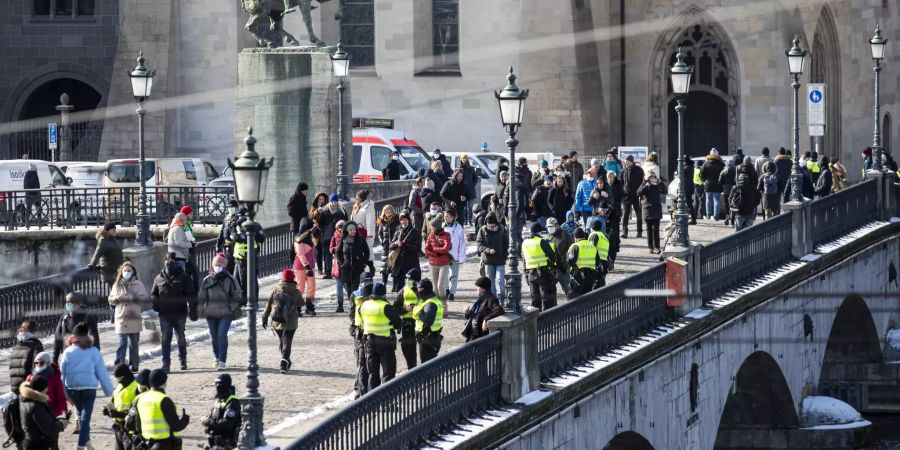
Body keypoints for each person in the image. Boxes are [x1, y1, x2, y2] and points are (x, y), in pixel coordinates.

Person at [60, 323, 114, 449]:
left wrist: (63, 392)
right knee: (85, 418)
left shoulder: (67, 351)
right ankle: (80, 446)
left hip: (72, 388)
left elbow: (62, 374)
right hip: (89, 388)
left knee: (80, 415)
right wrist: (108, 390)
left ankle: (88, 443)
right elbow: (101, 371)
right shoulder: (93, 351)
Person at [151, 253, 196, 372]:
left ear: (175, 262)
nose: (169, 262)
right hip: (164, 314)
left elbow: (190, 294)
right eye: (167, 259)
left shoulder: (184, 277)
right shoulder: (158, 278)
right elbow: (153, 294)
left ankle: (183, 360)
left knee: (180, 337)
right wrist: (155, 304)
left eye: (171, 260)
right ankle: (166, 363)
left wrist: (192, 309)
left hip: (180, 313)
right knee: (166, 339)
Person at [199, 253, 243, 371]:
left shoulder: (230, 279)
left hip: (225, 312)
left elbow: (237, 294)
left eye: (220, 264)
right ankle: (216, 357)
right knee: (214, 337)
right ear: (213, 265)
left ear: (224, 266)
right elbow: (201, 296)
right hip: (211, 313)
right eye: (216, 264)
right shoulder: (207, 280)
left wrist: (231, 306)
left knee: (221, 335)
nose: (218, 266)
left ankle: (222, 360)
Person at [133, 369, 190, 450]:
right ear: (163, 383)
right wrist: (185, 420)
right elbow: (176, 426)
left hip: (147, 443)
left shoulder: (141, 399)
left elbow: (137, 426)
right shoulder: (164, 400)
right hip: (164, 444)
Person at [360, 283, 402, 390]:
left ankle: (372, 401)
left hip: (369, 342)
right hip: (384, 343)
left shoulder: (364, 305)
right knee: (388, 373)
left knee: (372, 373)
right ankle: (387, 401)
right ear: (384, 295)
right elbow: (398, 322)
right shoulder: (385, 307)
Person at [109, 261, 149, 373]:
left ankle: (134, 365)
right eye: (125, 270)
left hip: (134, 317)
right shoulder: (117, 284)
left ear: (133, 272)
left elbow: (144, 297)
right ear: (121, 272)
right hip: (121, 317)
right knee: (122, 343)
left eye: (129, 270)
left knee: (134, 344)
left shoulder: (138, 284)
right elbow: (111, 298)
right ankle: (120, 364)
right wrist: (116, 298)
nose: (127, 272)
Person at [262, 270, 303, 373]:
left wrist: (265, 318)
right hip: (290, 321)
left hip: (277, 321)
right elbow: (302, 303)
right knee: (287, 341)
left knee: (282, 340)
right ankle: (283, 364)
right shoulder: (295, 291)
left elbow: (268, 304)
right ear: (292, 278)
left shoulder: (276, 289)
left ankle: (286, 360)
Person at [19, 375, 69, 450]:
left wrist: (54, 420)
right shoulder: (36, 406)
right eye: (46, 387)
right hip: (37, 445)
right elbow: (48, 429)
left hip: (30, 442)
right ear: (42, 389)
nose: (47, 389)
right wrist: (61, 424)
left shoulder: (25, 400)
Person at [53, 292, 100, 363]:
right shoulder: (64, 318)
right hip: (68, 357)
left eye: (71, 303)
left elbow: (94, 339)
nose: (68, 305)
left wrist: (95, 358)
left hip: (84, 357)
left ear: (78, 304)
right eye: (67, 303)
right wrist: (54, 360)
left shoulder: (87, 318)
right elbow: (57, 339)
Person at [523, 223, 558, 311]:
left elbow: (524, 258)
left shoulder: (525, 242)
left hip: (530, 273)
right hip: (542, 273)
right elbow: (553, 256)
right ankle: (546, 318)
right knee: (546, 298)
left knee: (535, 298)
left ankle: (536, 319)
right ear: (539, 232)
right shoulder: (541, 241)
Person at [103, 364, 138, 450]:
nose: (118, 381)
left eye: (119, 379)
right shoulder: (120, 386)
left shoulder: (136, 388)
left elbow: (137, 411)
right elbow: (114, 400)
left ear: (126, 376)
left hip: (129, 428)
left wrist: (119, 414)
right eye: (117, 379)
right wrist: (108, 409)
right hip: (118, 427)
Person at [201, 374, 241, 450]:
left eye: (220, 385)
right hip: (214, 439)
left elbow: (227, 423)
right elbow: (215, 415)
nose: (217, 387)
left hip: (226, 442)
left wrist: (209, 422)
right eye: (216, 384)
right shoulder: (220, 399)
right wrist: (207, 419)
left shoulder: (232, 402)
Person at [349, 276, 373, 398]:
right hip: (364, 331)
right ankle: (360, 388)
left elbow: (351, 313)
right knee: (364, 362)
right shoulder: (372, 294)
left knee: (361, 361)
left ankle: (359, 387)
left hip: (359, 331)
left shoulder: (355, 294)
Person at [476, 212, 508, 303]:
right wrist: (487, 250)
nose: (490, 225)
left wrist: (504, 255)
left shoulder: (501, 230)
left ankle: (502, 299)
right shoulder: (482, 230)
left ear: (495, 223)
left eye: (492, 223)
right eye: (488, 223)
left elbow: (506, 243)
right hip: (488, 260)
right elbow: (479, 244)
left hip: (500, 260)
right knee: (490, 282)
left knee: (500, 280)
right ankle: (493, 300)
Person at [393, 269, 422, 369]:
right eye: (407, 279)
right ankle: (412, 368)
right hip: (408, 323)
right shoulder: (403, 291)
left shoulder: (424, 288)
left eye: (409, 279)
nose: (407, 281)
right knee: (408, 348)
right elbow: (395, 309)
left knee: (425, 349)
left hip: (422, 322)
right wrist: (406, 309)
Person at [232, 215, 265, 302]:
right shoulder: (253, 225)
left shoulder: (242, 226)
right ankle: (244, 300)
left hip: (245, 256)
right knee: (238, 279)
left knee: (246, 279)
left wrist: (233, 229)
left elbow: (237, 238)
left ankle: (248, 300)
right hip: (240, 256)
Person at [387, 211, 421, 293]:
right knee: (400, 287)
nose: (403, 222)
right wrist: (395, 244)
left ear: (409, 220)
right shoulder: (398, 232)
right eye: (402, 220)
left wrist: (404, 245)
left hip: (411, 263)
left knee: (411, 286)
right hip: (399, 263)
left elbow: (417, 248)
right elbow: (390, 246)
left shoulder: (415, 232)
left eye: (405, 219)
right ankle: (400, 304)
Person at [462, 277, 504, 342]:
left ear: (483, 289)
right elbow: (475, 316)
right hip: (472, 336)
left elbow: (499, 310)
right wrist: (467, 313)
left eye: (478, 287)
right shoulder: (479, 300)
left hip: (481, 337)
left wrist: (486, 319)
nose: (476, 289)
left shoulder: (491, 299)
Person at [26, 352, 67, 418]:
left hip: (50, 411)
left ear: (48, 363)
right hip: (34, 411)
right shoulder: (30, 377)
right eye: (36, 363)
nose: (38, 364)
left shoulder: (54, 376)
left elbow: (60, 395)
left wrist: (59, 411)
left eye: (41, 363)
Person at [411, 279, 443, 362]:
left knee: (426, 367)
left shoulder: (430, 303)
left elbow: (428, 320)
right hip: (431, 337)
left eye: (420, 289)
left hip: (428, 339)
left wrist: (418, 312)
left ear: (426, 289)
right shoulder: (432, 300)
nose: (418, 291)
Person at [293, 217, 320, 316]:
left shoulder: (309, 237)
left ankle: (309, 306)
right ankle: (297, 308)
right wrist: (307, 266)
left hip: (311, 265)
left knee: (311, 287)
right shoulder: (298, 238)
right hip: (301, 266)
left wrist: (315, 233)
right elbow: (300, 254)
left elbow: (316, 245)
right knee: (300, 288)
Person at [336, 221, 370, 296]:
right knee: (349, 290)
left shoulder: (361, 239)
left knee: (355, 289)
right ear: (347, 231)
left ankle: (354, 304)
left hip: (358, 267)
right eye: (350, 230)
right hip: (346, 268)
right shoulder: (343, 239)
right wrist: (342, 263)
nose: (352, 231)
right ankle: (351, 305)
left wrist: (364, 262)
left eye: (354, 229)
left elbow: (367, 252)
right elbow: (337, 252)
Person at [10, 320, 43, 395]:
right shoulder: (36, 344)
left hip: (15, 384)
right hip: (29, 384)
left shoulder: (17, 345)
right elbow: (40, 365)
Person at [567, 228, 602, 298]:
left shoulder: (575, 246)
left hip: (578, 276)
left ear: (575, 237)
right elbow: (597, 262)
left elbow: (570, 261)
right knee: (587, 297)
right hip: (590, 276)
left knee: (573, 297)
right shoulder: (592, 246)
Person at [89, 222, 124, 292]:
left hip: (117, 270)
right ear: (107, 230)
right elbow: (97, 254)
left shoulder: (115, 241)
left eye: (115, 228)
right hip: (109, 271)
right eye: (112, 228)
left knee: (119, 291)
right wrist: (92, 264)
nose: (114, 230)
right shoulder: (103, 241)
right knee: (115, 291)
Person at [316, 194, 345, 280]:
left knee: (340, 254)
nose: (334, 203)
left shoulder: (341, 211)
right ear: (330, 202)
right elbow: (320, 223)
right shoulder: (325, 211)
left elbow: (345, 221)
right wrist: (324, 232)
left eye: (335, 201)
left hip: (338, 236)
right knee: (327, 255)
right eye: (332, 201)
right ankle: (328, 272)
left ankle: (341, 271)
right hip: (326, 237)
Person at [424, 218, 452, 302]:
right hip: (432, 263)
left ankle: (443, 303)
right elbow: (426, 250)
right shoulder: (430, 235)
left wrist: (434, 249)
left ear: (436, 226)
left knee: (440, 285)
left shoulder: (446, 235)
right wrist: (436, 254)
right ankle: (437, 304)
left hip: (444, 263)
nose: (430, 228)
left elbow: (446, 249)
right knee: (435, 287)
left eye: (432, 226)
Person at [637, 172, 665, 254]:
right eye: (651, 177)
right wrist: (646, 186)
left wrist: (660, 182)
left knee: (655, 229)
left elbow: (665, 190)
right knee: (649, 229)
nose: (652, 178)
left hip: (656, 209)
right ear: (647, 178)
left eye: (654, 177)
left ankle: (657, 247)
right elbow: (638, 192)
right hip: (647, 209)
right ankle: (650, 247)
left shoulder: (657, 184)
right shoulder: (645, 184)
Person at [350, 190, 377, 274]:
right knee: (359, 250)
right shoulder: (356, 206)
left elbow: (370, 221)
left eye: (357, 198)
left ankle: (371, 267)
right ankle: (362, 267)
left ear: (362, 198)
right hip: (356, 231)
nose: (356, 199)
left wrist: (370, 234)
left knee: (366, 250)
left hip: (364, 232)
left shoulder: (369, 207)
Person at [546, 217, 573, 296]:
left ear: (556, 225)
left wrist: (567, 263)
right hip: (551, 268)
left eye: (551, 226)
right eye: (548, 227)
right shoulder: (547, 236)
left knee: (568, 290)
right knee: (549, 292)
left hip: (563, 267)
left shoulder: (565, 235)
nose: (550, 228)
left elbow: (571, 248)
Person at [621, 155, 644, 238]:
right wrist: (623, 192)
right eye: (625, 161)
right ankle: (624, 232)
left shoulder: (639, 170)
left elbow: (642, 182)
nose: (625, 163)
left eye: (626, 161)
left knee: (638, 214)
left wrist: (640, 193)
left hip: (636, 195)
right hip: (627, 195)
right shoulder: (623, 171)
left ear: (631, 162)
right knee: (625, 215)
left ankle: (639, 231)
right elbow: (622, 183)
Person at [377, 205, 400, 286]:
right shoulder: (382, 221)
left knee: (394, 265)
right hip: (385, 246)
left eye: (389, 212)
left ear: (392, 212)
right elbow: (379, 234)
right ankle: (384, 282)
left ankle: (395, 284)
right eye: (386, 212)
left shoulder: (397, 220)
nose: (388, 214)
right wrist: (382, 241)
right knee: (384, 266)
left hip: (394, 246)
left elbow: (399, 231)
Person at [216, 199, 240, 274]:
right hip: (227, 245)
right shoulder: (226, 218)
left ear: (236, 208)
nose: (230, 209)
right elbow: (222, 231)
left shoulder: (238, 218)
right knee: (228, 265)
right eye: (228, 207)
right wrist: (218, 244)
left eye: (232, 207)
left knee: (234, 265)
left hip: (235, 244)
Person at [700, 149, 725, 220]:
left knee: (708, 199)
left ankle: (708, 214)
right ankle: (716, 215)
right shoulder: (720, 163)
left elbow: (701, 173)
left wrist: (704, 180)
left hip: (708, 184)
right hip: (717, 184)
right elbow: (723, 174)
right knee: (716, 200)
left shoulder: (706, 163)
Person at [329, 219, 348, 312]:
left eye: (343, 227)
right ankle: (340, 305)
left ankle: (352, 302)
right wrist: (336, 248)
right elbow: (331, 249)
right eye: (339, 227)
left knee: (347, 285)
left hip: (347, 263)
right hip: (337, 264)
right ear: (336, 228)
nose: (341, 229)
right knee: (339, 285)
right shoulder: (334, 237)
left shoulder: (348, 236)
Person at [309, 192, 329, 275]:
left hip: (325, 231)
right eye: (320, 199)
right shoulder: (314, 207)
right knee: (318, 250)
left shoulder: (327, 206)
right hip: (316, 232)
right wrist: (317, 211)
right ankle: (320, 269)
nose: (321, 201)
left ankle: (327, 269)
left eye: (322, 199)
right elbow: (310, 216)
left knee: (325, 251)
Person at [458, 154, 480, 224]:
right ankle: (464, 220)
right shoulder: (459, 169)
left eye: (466, 158)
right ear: (461, 159)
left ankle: (469, 220)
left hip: (470, 190)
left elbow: (475, 178)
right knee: (463, 206)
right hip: (462, 190)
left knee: (470, 206)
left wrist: (472, 185)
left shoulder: (471, 168)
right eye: (463, 158)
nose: (464, 160)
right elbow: (456, 178)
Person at [719, 159, 737, 225]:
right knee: (734, 203)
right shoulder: (736, 170)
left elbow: (720, 181)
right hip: (734, 189)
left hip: (726, 189)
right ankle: (733, 217)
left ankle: (727, 217)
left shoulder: (723, 171)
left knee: (726, 204)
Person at [682, 158, 697, 225]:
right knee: (688, 203)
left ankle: (692, 219)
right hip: (688, 187)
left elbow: (680, 172)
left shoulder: (687, 168)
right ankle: (692, 218)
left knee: (688, 204)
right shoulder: (690, 167)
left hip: (687, 188)